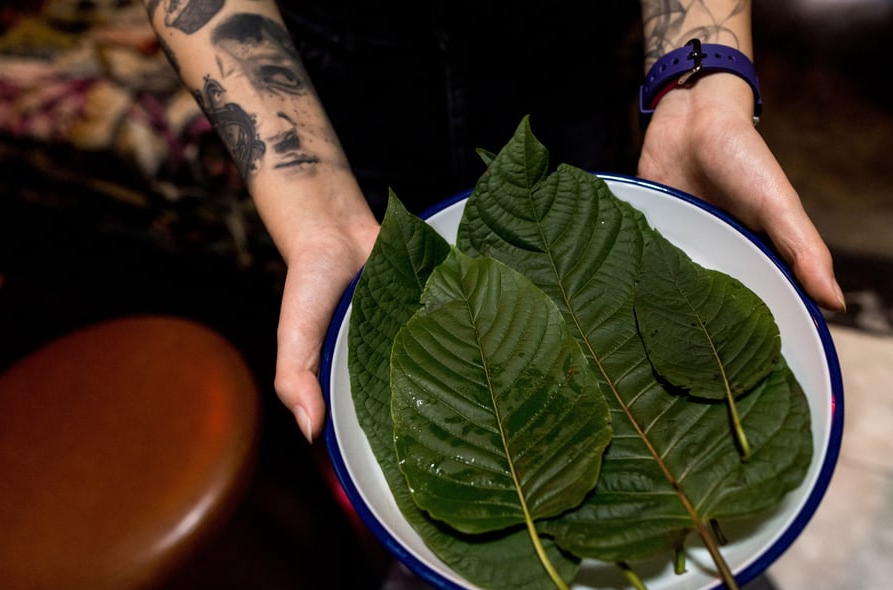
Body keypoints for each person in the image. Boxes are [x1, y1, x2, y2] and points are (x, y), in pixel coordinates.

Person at [142, 0, 846, 444]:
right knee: (413, 365)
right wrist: (312, 195)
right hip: (338, 75)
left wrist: (697, 84)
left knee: (590, 306)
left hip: (565, 51)